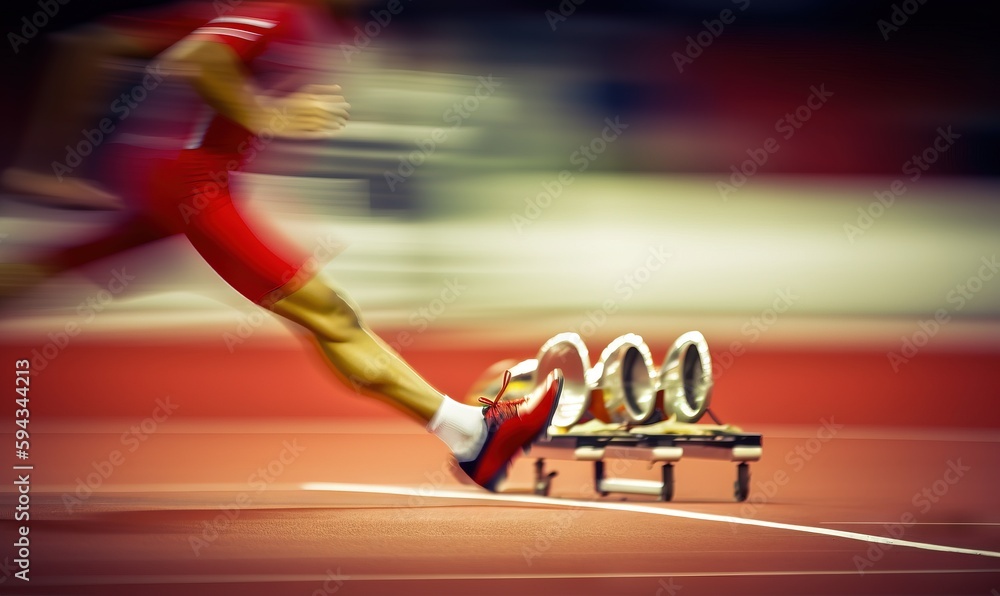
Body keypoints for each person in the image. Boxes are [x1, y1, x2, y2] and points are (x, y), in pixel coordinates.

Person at [0, 0, 563, 491]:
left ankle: (470, 437)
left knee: (44, 271)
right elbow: (196, 59)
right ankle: (472, 435)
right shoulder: (282, 11)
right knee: (330, 313)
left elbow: (91, 43)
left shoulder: (261, 12)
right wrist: (268, 114)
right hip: (190, 187)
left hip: (168, 186)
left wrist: (43, 158)